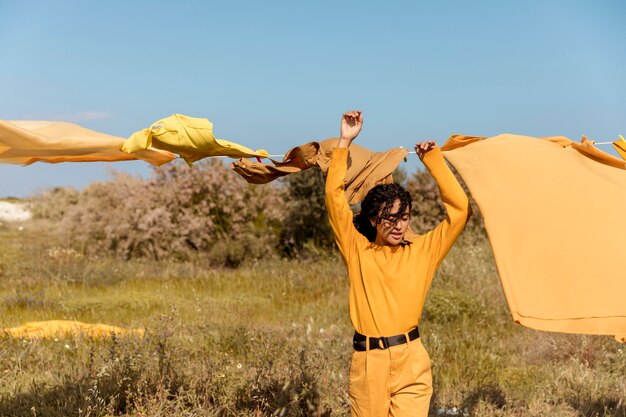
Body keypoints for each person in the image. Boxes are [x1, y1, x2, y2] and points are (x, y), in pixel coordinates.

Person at [325, 110, 471, 417]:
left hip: (412, 360)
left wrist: (434, 162)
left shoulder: (423, 250)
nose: (398, 226)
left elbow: (460, 212)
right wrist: (344, 141)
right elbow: (335, 200)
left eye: (403, 218)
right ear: (372, 220)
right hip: (369, 365)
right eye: (389, 219)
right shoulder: (357, 250)